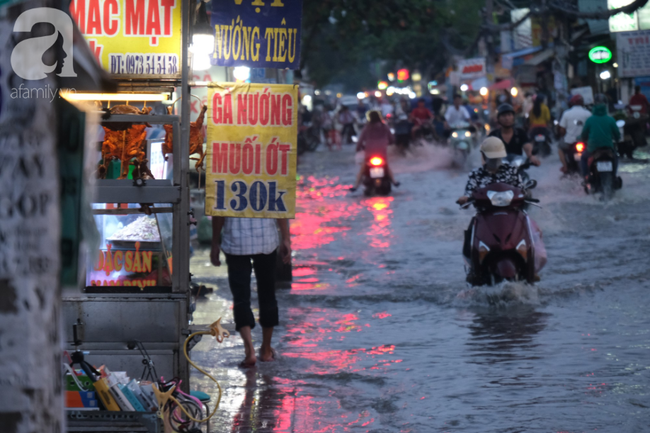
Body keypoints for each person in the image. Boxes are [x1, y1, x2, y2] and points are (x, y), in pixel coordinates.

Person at [210, 217, 291, 368]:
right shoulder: (269, 190)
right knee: (268, 295)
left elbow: (218, 209)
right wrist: (286, 238)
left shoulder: (227, 190)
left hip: (236, 241)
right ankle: (266, 351)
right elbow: (281, 204)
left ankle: (249, 352)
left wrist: (215, 242)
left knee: (241, 297)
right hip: (266, 240)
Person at [456, 137, 524, 206]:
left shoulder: (512, 171)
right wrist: (464, 199)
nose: (495, 159)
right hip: (485, 213)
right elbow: (467, 197)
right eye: (492, 157)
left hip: (510, 211)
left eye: (497, 157)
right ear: (483, 154)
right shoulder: (476, 174)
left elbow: (521, 191)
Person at [350, 110, 399, 191]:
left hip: (369, 153)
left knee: (363, 167)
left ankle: (356, 186)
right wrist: (389, 143)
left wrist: (358, 148)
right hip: (382, 152)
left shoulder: (367, 128)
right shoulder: (384, 127)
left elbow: (360, 140)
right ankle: (394, 181)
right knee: (386, 165)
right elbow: (391, 139)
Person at [580, 93, 621, 180]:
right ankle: (613, 175)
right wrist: (617, 139)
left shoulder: (590, 120)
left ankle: (586, 177)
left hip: (593, 149)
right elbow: (617, 135)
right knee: (616, 157)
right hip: (608, 149)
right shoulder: (611, 120)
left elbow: (584, 135)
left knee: (583, 158)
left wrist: (582, 138)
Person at [558, 94, 591, 173]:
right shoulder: (588, 113)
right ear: (582, 103)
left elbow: (562, 130)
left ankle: (565, 166)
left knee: (560, 149)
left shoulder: (567, 113)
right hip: (585, 141)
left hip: (570, 142)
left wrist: (564, 135)